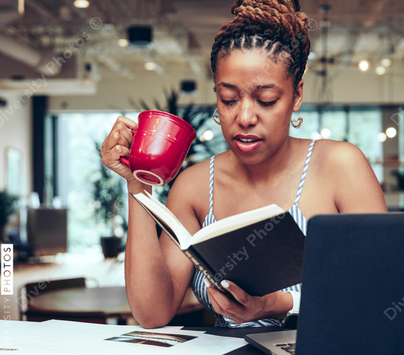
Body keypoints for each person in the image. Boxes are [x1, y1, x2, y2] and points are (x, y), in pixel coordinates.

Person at [100, 0, 387, 329]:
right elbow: (152, 313)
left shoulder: (340, 166)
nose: (245, 117)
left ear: (296, 96)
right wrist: (138, 183)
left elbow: (382, 291)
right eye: (229, 99)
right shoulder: (194, 187)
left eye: (266, 100)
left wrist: (281, 304)